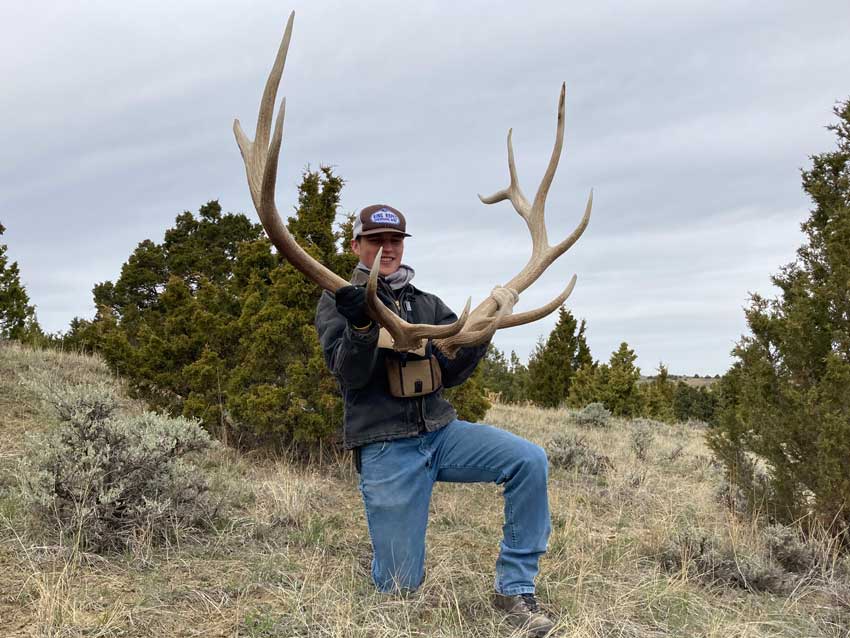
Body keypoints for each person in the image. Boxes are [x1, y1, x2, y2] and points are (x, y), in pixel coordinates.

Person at [315, 204, 555, 637]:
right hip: (386, 444)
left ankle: (515, 589)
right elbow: (348, 374)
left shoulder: (425, 303)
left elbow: (454, 373)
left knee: (529, 460)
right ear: (356, 246)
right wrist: (362, 328)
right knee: (399, 590)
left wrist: (481, 331)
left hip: (441, 433)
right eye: (375, 240)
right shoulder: (339, 301)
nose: (387, 249)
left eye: (394, 241)